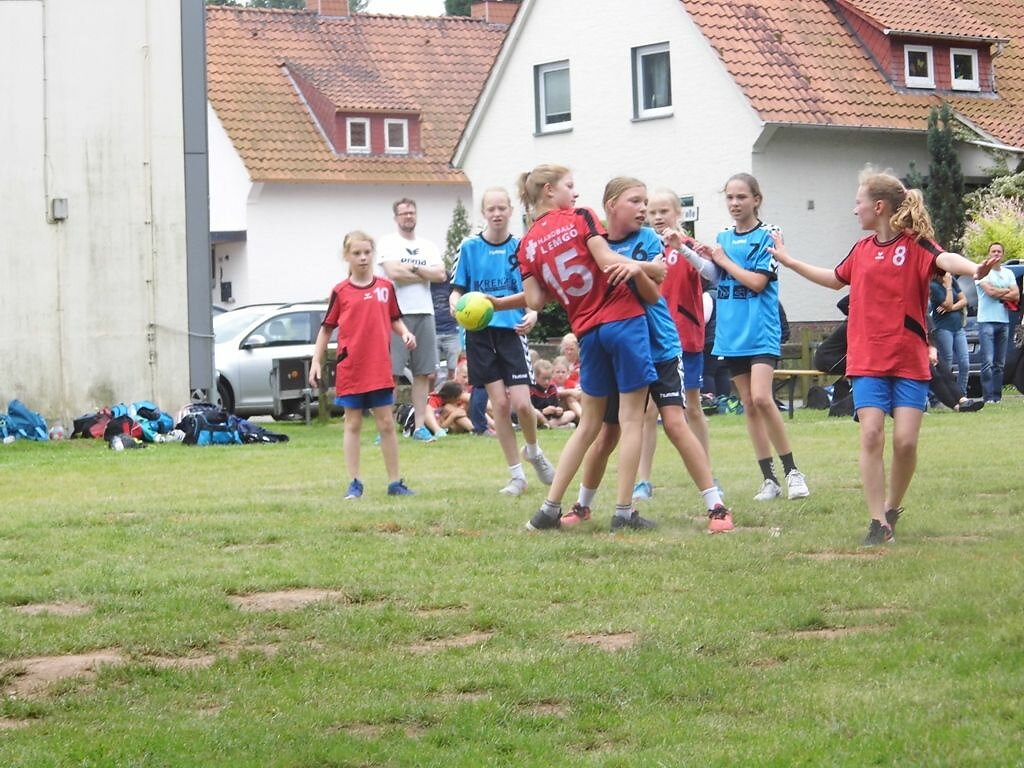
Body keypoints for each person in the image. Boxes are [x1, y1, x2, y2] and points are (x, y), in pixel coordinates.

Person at [769, 168, 996, 545]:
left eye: (857, 202)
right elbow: (834, 278)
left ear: (878, 206)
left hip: (908, 358)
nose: (853, 209)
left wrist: (976, 269)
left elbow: (947, 261)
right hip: (868, 360)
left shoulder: (917, 245)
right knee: (871, 434)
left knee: (905, 442)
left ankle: (892, 506)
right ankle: (878, 523)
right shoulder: (860, 251)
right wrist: (790, 262)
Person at [561, 178, 731, 534]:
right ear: (610, 205)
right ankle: (583, 504)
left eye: (647, 203)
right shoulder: (597, 246)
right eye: (636, 202)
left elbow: (654, 292)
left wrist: (638, 269)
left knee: (674, 423)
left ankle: (715, 506)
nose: (644, 209)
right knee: (608, 434)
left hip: (660, 347)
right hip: (620, 352)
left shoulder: (648, 241)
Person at [507, 164, 661, 532]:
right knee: (631, 419)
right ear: (548, 190)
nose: (575, 194)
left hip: (587, 332)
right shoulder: (581, 217)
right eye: (569, 186)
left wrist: (494, 303)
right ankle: (624, 512)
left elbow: (535, 299)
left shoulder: (526, 245)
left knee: (588, 424)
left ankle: (548, 509)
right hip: (623, 321)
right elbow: (608, 262)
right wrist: (649, 268)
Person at [708, 173, 810, 502]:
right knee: (749, 405)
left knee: (763, 398)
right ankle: (769, 479)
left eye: (741, 197)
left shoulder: (769, 235)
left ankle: (793, 471)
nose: (735, 204)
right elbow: (713, 275)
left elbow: (757, 283)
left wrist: (723, 260)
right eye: (730, 198)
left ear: (756, 199)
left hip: (761, 331)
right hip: (731, 334)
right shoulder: (722, 237)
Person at [450, 187, 554, 494]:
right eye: (491, 209)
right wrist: (456, 306)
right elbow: (456, 289)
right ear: (484, 212)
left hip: (512, 330)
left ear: (511, 211)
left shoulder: (522, 247)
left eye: (501, 208)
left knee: (522, 404)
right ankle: (516, 476)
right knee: (499, 403)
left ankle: (533, 451)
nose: (496, 214)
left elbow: (539, 293)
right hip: (480, 333)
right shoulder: (469, 247)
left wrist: (534, 314)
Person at [309, 231, 415, 499]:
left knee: (387, 423)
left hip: (379, 366)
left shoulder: (385, 288)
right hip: (352, 368)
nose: (363, 257)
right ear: (347, 256)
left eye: (367, 252)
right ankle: (354, 482)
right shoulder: (340, 292)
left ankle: (394, 482)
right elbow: (326, 329)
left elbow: (393, 317)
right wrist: (315, 362)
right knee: (353, 424)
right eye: (357, 253)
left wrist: (404, 332)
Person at [634, 188, 720, 502]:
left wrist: (682, 249)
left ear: (677, 214)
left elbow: (711, 274)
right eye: (652, 212)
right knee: (648, 411)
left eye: (663, 212)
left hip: (687, 337)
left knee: (693, 407)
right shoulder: (642, 247)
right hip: (653, 340)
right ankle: (643, 480)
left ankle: (708, 473)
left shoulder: (690, 247)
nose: (657, 217)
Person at [377, 198, 447, 442]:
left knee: (423, 373)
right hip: (397, 314)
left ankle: (419, 427)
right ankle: (383, 430)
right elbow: (393, 272)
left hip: (425, 313)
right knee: (391, 374)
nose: (408, 216)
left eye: (411, 212)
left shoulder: (427, 245)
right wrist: (422, 272)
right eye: (404, 213)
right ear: (396, 217)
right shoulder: (388, 242)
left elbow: (441, 274)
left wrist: (414, 270)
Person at [975, 242, 1019, 404]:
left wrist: (1001, 292)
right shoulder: (982, 272)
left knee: (1000, 363)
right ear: (988, 253)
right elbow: (990, 292)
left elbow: (1016, 296)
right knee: (987, 361)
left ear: (1003, 254)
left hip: (1003, 321)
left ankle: (997, 397)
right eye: (993, 251)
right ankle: (987, 398)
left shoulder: (1008, 273)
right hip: (986, 321)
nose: (996, 254)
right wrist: (1007, 292)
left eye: (999, 251)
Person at [929, 271, 969, 396]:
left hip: (958, 327)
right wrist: (948, 287)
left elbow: (964, 300)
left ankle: (962, 394)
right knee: (946, 364)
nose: (948, 273)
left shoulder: (952, 280)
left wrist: (951, 308)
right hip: (943, 328)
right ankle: (947, 396)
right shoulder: (934, 286)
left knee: (965, 363)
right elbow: (948, 302)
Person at [530, 359, 577, 429]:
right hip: (538, 417)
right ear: (535, 377)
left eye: (549, 379)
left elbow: (557, 406)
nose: (547, 382)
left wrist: (558, 411)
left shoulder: (552, 389)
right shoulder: (531, 390)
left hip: (551, 418)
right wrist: (543, 411)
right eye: (544, 379)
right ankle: (553, 426)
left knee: (571, 414)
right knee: (535, 412)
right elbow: (529, 410)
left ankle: (548, 425)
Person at [551, 356, 582, 421]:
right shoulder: (551, 384)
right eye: (557, 372)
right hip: (557, 410)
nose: (560, 374)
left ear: (568, 373)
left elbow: (579, 392)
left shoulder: (571, 383)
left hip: (571, 411)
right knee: (569, 397)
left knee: (574, 398)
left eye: (563, 372)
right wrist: (569, 392)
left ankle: (584, 418)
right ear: (552, 373)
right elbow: (554, 393)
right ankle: (584, 418)